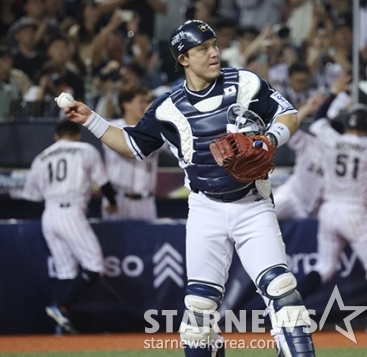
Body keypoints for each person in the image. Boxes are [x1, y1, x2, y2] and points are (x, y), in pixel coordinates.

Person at [62, 20, 316, 357]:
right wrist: (91, 119)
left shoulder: (245, 83)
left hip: (252, 203)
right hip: (205, 209)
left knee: (284, 293)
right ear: (183, 59)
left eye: (214, 45)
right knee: (198, 317)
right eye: (202, 49)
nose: (213, 53)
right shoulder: (167, 108)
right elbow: (132, 144)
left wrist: (270, 138)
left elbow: (289, 114)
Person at [297, 103, 367, 334]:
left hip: (329, 208)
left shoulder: (332, 139)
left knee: (324, 267)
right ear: (366, 125)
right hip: (354, 210)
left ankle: (287, 307)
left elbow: (319, 120)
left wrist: (333, 96)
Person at [21, 120, 118, 334]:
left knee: (66, 271)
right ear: (77, 135)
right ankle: (58, 305)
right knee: (94, 266)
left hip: (49, 214)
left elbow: (31, 196)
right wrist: (112, 201)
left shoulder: (41, 157)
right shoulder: (84, 149)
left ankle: (60, 326)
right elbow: (103, 182)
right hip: (71, 212)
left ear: (56, 137)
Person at [101, 84, 161, 220]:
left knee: (150, 241)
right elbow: (131, 150)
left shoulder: (154, 128)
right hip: (117, 201)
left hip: (146, 201)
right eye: (141, 102)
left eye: (146, 102)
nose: (145, 106)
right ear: (126, 104)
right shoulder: (112, 128)